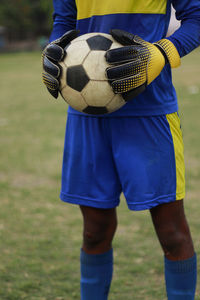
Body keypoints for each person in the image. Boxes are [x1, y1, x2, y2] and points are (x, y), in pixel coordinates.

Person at [42, 1, 200, 299]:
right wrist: (53, 51)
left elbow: (197, 18)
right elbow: (64, 22)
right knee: (94, 231)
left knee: (172, 234)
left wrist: (161, 53)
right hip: (85, 114)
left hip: (150, 114)